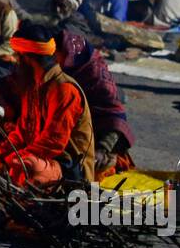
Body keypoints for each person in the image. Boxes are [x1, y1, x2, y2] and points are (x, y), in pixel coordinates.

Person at [0, 23, 95, 186]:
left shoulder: (64, 90)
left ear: (27, 58)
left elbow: (52, 144)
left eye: (17, 57)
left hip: (68, 169)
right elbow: (22, 133)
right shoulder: (32, 85)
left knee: (26, 166)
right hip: (32, 156)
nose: (15, 62)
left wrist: (7, 162)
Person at [53, 29, 134, 175]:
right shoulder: (60, 72)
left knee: (86, 170)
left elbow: (116, 120)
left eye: (58, 56)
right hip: (66, 135)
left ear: (71, 57)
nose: (55, 60)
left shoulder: (99, 82)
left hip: (96, 142)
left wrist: (102, 149)